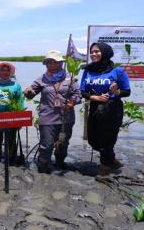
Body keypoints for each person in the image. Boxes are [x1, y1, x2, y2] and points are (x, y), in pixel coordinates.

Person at [24, 50, 81, 173]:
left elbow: (77, 94)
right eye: (50, 62)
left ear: (61, 63)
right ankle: (43, 168)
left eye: (56, 62)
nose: (53, 65)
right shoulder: (42, 79)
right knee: (46, 145)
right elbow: (31, 94)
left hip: (66, 118)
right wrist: (28, 92)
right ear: (46, 64)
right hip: (47, 117)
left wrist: (72, 102)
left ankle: (60, 164)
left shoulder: (69, 78)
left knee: (63, 144)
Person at [80, 42, 131, 176]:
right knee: (93, 138)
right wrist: (95, 98)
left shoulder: (118, 71)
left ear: (105, 52)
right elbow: (83, 92)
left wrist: (116, 91)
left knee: (107, 138)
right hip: (95, 106)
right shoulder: (88, 70)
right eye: (92, 52)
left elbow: (127, 91)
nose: (94, 54)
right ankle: (111, 158)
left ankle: (105, 168)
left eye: (97, 51)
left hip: (112, 108)